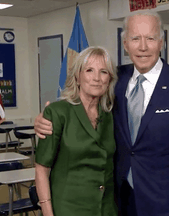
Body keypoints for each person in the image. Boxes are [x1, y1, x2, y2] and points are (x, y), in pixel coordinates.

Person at [35, 11, 169, 216]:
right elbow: (81, 105)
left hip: (164, 204)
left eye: (150, 38)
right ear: (126, 44)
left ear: (161, 42)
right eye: (135, 38)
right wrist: (43, 120)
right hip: (116, 201)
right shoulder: (116, 79)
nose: (142, 47)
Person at [35, 46, 118, 216]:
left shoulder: (112, 114)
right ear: (78, 77)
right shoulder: (58, 112)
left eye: (103, 72)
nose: (96, 78)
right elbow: (41, 169)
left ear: (109, 79)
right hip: (68, 208)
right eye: (89, 70)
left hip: (106, 209)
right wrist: (47, 212)